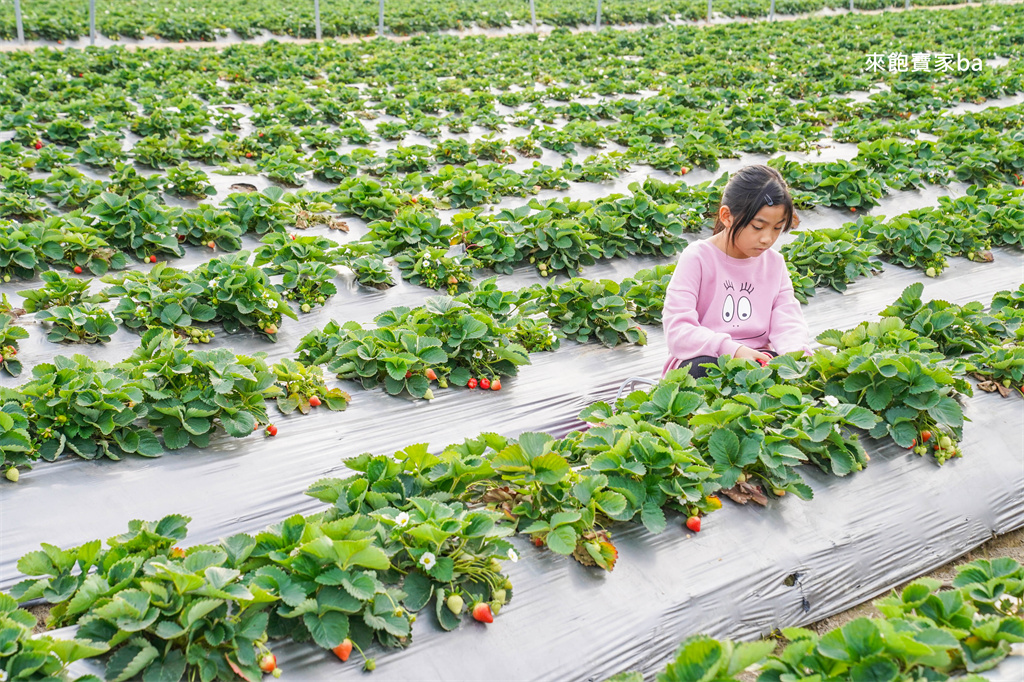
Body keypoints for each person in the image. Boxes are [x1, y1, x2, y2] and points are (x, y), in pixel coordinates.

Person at [662, 164, 812, 379]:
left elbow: (788, 323)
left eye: (777, 228)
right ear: (726, 216)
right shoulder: (698, 258)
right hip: (706, 358)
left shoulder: (775, 263)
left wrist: (798, 359)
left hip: (758, 358)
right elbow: (679, 332)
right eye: (758, 227)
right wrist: (732, 351)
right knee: (701, 369)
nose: (767, 239)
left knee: (780, 369)